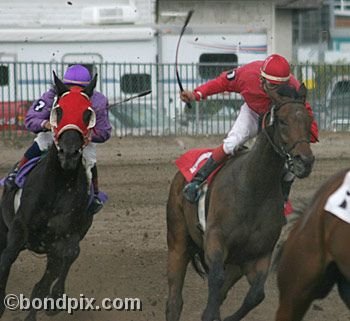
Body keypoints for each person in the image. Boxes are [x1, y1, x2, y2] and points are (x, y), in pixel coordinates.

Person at [180, 54, 319, 204]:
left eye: (282, 87)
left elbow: (303, 113)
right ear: (262, 79)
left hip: (278, 115)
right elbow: (221, 83)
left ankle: (283, 197)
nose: (278, 92)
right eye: (273, 87)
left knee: (291, 154)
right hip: (253, 111)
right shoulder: (246, 75)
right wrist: (196, 94)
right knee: (232, 144)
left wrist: (308, 136)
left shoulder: (293, 87)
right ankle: (197, 181)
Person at [5, 64, 112, 215]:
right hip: (54, 134)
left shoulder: (99, 101)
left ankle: (94, 194)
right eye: (71, 86)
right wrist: (46, 124)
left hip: (82, 140)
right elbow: (31, 119)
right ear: (64, 85)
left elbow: (104, 131)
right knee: (40, 143)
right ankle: (16, 173)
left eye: (81, 88)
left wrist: (90, 135)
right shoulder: (51, 96)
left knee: (90, 159)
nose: (75, 91)